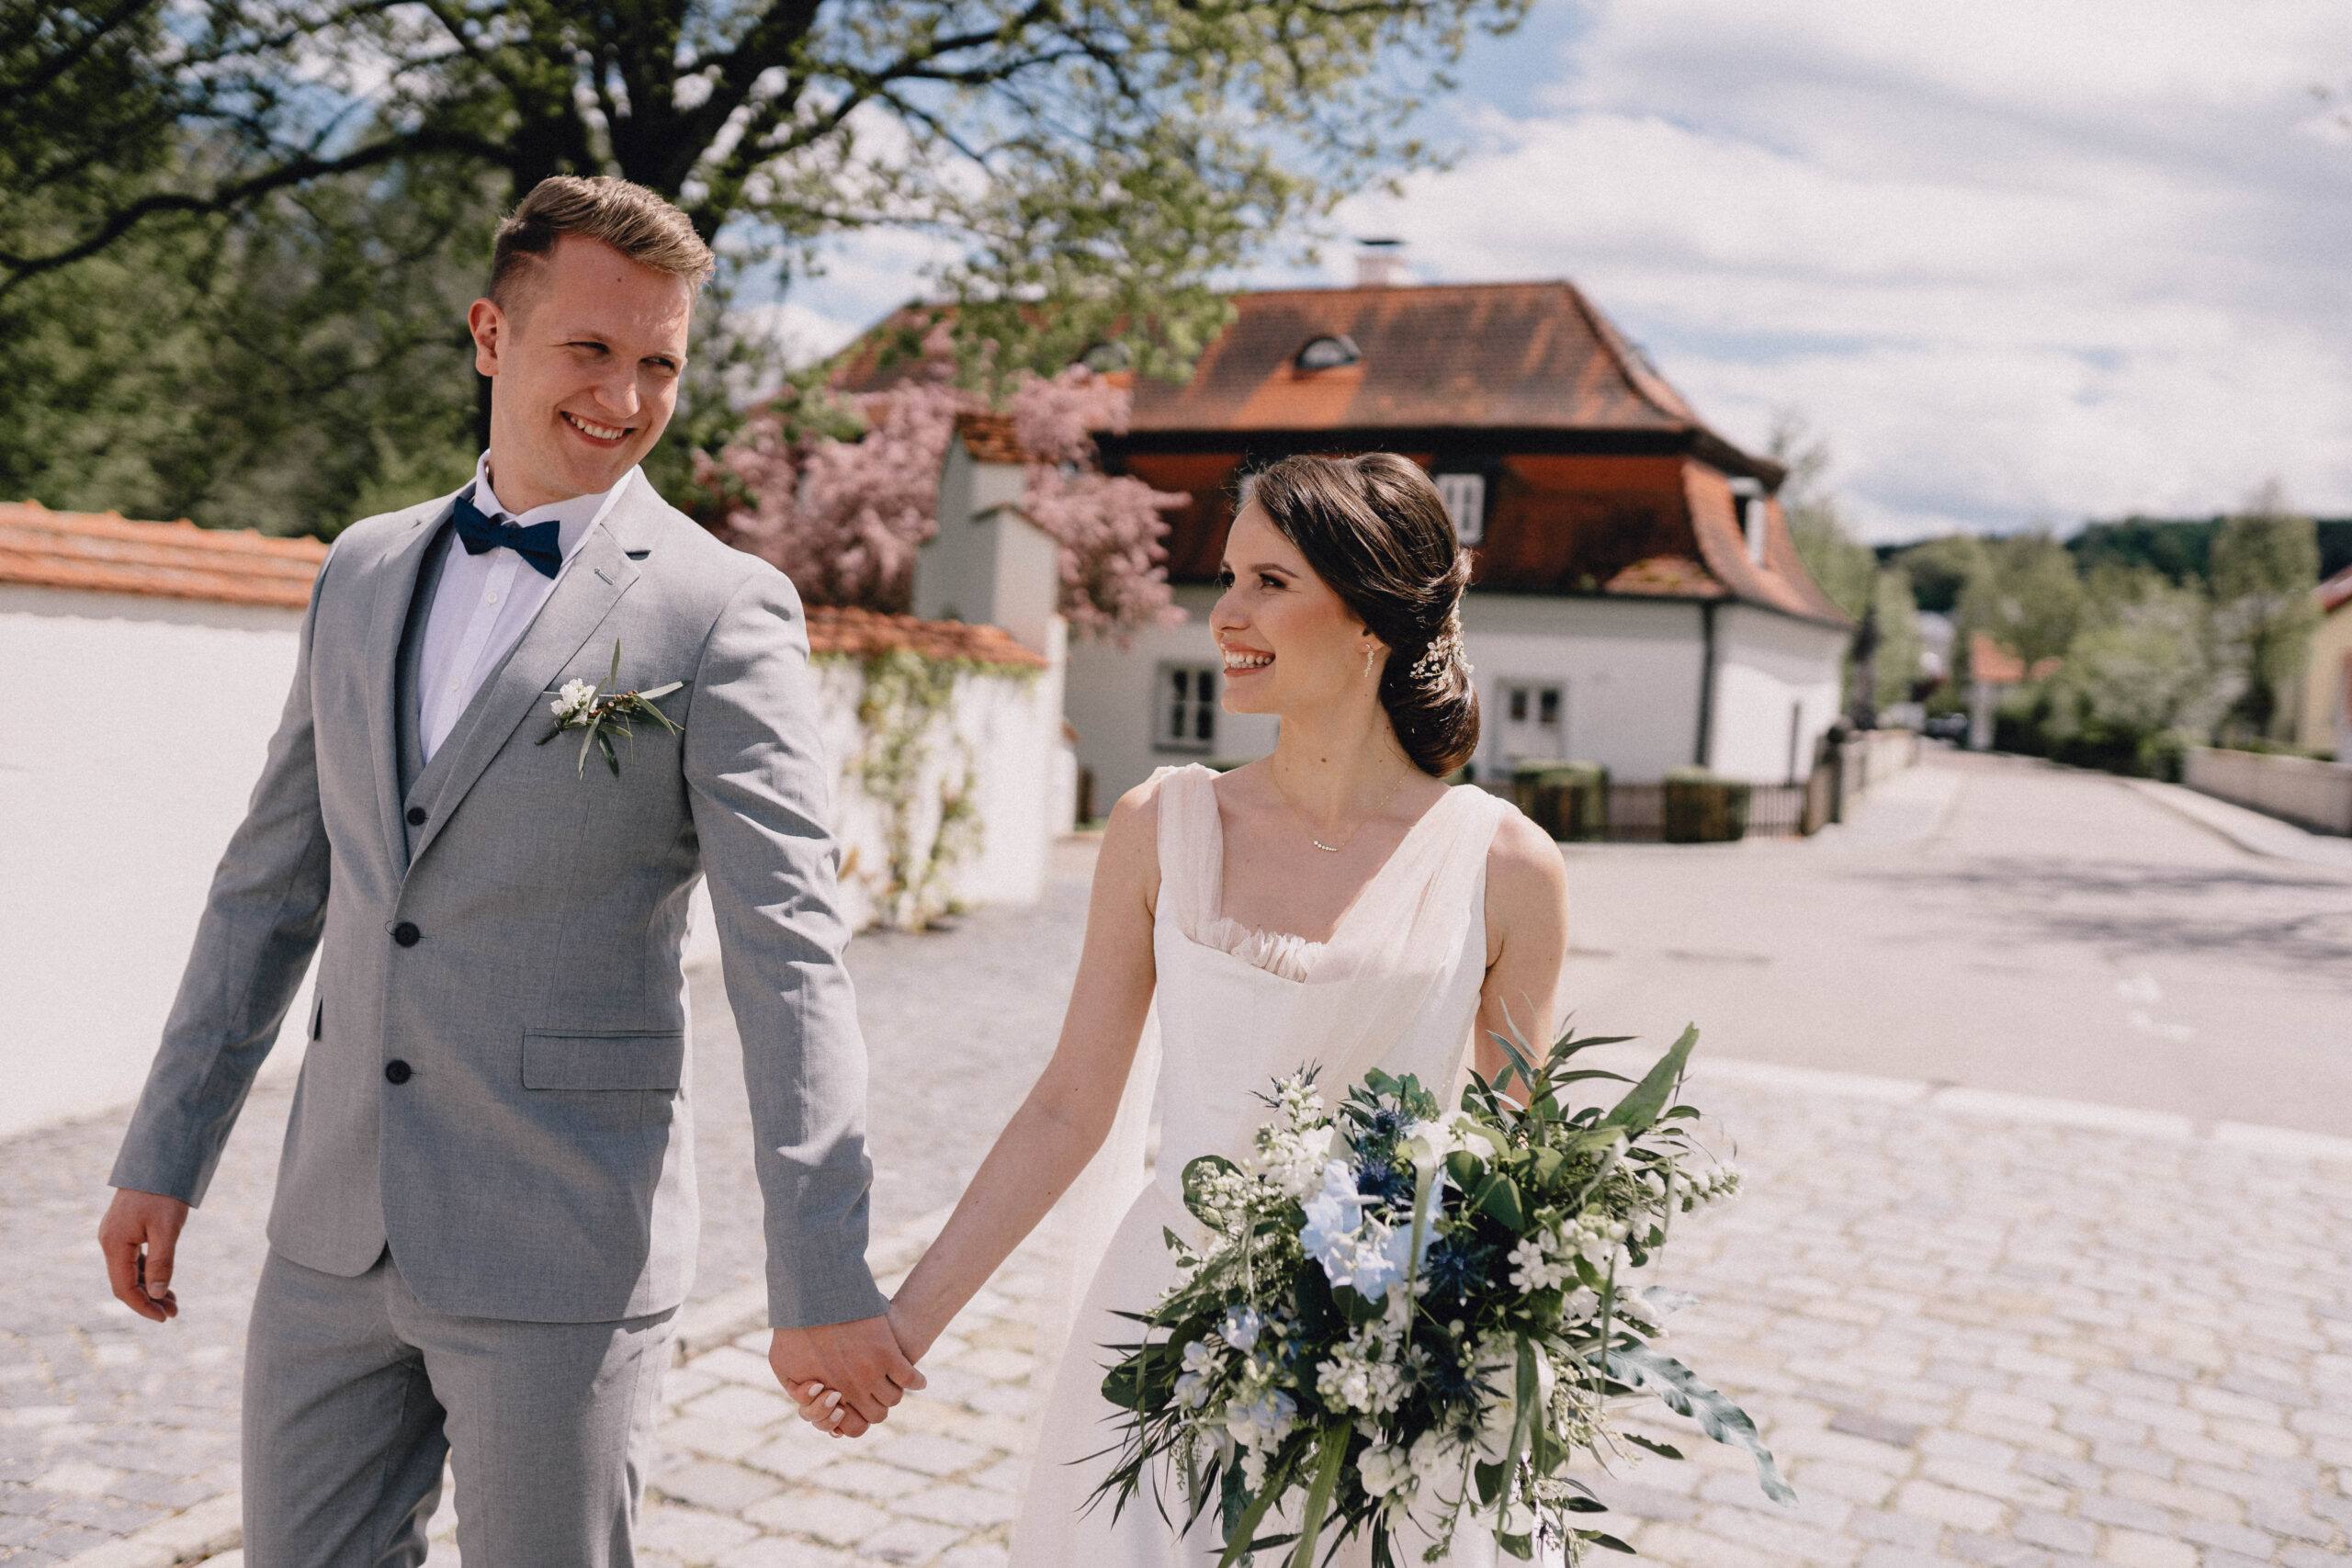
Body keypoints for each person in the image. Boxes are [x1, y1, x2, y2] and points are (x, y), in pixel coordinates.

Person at [96, 175, 920, 1568]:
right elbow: (272, 883)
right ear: (491, 334)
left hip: (566, 1246)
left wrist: (822, 1264)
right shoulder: (361, 569)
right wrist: (166, 1149)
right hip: (331, 1233)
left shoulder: (722, 609)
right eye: (590, 349)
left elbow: (790, 955)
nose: (627, 393)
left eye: (660, 361)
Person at [788, 453, 1572, 1564]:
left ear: (1369, 621)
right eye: (1228, 577)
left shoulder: (1506, 866)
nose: (1226, 616)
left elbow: (1511, 1176)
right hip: (1165, 1336)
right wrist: (904, 1328)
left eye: (1269, 582)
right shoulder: (1164, 824)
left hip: (1386, 1364)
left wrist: (1446, 1369)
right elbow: (1071, 1104)